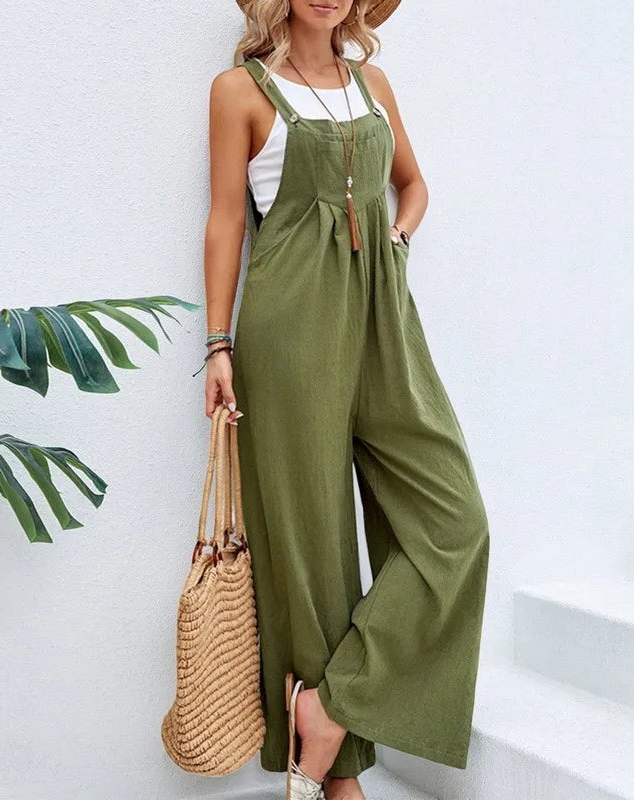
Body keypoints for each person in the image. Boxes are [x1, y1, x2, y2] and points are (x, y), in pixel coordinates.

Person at [199, 2, 490, 798]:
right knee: (310, 542)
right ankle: (338, 781)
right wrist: (218, 345)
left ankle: (327, 705)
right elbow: (227, 220)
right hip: (290, 324)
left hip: (383, 318)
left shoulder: (376, 83)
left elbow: (414, 183)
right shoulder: (240, 91)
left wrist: (397, 239)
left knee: (455, 522)